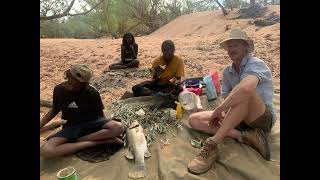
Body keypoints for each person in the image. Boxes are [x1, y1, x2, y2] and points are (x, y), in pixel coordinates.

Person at [187, 29, 276, 174]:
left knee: (243, 94)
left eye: (235, 45)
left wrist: (219, 110)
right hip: (240, 117)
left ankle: (213, 144)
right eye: (229, 46)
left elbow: (246, 89)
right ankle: (244, 136)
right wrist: (225, 112)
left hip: (261, 118)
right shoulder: (227, 72)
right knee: (194, 120)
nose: (231, 49)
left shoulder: (256, 64)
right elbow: (227, 96)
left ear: (246, 47)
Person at [40, 64, 124, 158]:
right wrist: (41, 124)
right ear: (68, 76)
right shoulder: (59, 90)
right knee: (46, 150)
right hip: (72, 126)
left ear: (85, 84)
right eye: (71, 83)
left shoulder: (92, 92)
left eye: (77, 85)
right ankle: (98, 142)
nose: (72, 86)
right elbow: (55, 109)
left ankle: (75, 142)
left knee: (118, 127)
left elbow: (100, 114)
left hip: (92, 123)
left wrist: (106, 123)